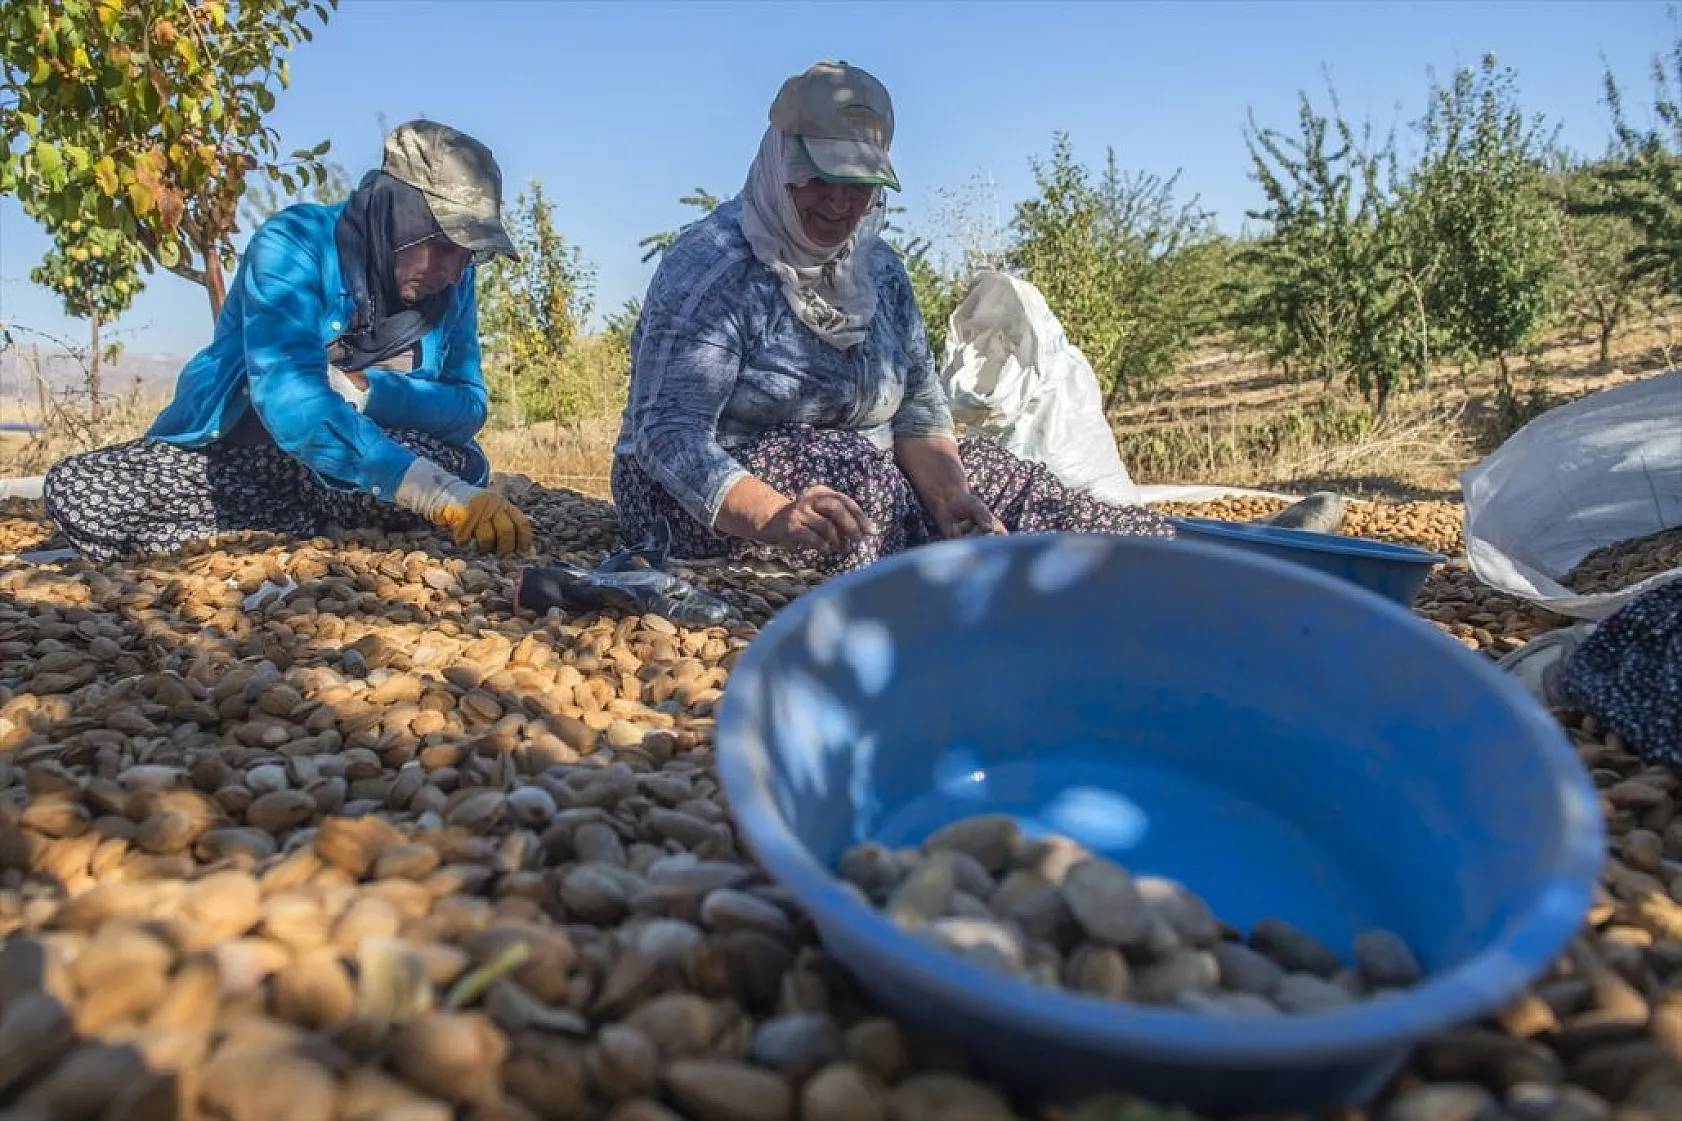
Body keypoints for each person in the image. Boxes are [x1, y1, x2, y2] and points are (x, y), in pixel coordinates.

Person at [611, 60, 1180, 578]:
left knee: (1001, 479)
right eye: (820, 180)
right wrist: (773, 517)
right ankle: (935, 619)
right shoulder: (714, 269)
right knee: (861, 486)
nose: (838, 205)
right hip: (697, 494)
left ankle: (1169, 564)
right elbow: (669, 436)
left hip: (859, 467)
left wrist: (950, 497)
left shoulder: (878, 271)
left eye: (858, 187)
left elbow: (919, 408)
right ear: (781, 164)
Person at [42, 119, 534, 562]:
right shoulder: (293, 243)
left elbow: (467, 405)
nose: (450, 272)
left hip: (376, 457)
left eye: (466, 254)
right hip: (245, 460)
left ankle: (295, 522)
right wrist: (429, 491)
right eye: (442, 246)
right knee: (78, 492)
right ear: (396, 215)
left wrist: (368, 394)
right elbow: (289, 397)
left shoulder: (454, 284)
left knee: (445, 462)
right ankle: (319, 521)